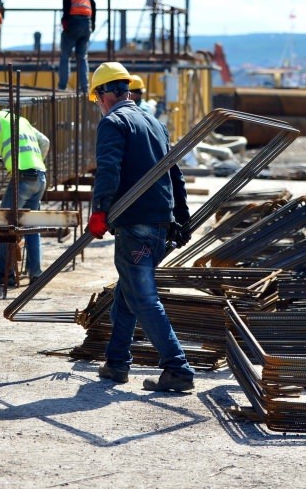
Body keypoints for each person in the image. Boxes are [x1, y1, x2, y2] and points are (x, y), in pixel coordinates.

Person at [85, 62, 195, 392]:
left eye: (97, 98)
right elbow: (175, 173)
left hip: (136, 224)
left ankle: (178, 369)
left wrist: (99, 210)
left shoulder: (113, 122)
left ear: (105, 94)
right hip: (161, 220)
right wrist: (183, 217)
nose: (99, 105)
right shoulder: (154, 122)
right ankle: (116, 363)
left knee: (143, 297)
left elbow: (108, 169)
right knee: (128, 292)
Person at [0, 103, 49, 287]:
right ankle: (36, 275)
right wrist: (37, 161)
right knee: (31, 227)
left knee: (6, 224)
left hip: (23, 176)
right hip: (40, 176)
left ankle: (5, 274)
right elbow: (45, 142)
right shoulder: (20, 119)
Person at [45, 0, 96, 93]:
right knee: (82, 57)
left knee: (65, 55)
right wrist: (93, 23)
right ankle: (84, 88)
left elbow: (67, 2)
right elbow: (93, 3)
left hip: (74, 21)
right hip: (87, 22)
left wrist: (65, 19)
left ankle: (62, 87)